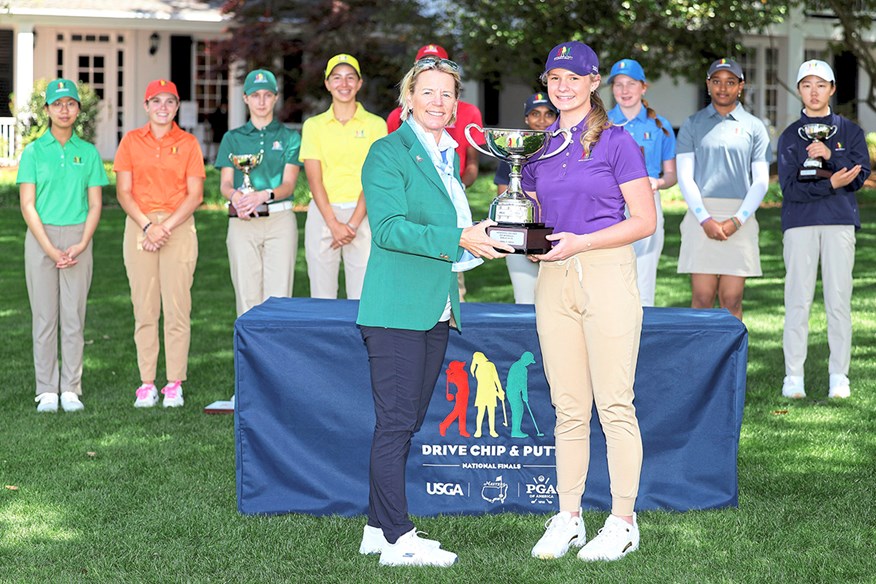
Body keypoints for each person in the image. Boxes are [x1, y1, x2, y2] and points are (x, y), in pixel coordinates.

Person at [356, 56, 512, 567]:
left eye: (447, 94)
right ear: (408, 98)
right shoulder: (388, 151)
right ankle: (400, 539)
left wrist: (487, 238)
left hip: (437, 308)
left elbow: (454, 233)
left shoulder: (449, 154)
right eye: (428, 92)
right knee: (396, 423)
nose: (438, 102)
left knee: (405, 420)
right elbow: (389, 229)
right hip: (396, 309)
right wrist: (459, 237)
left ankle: (377, 530)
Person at [522, 41, 656, 563]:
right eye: (555, 77)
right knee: (569, 408)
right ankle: (569, 516)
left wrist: (583, 242)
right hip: (553, 281)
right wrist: (530, 241)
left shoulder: (617, 141)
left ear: (593, 81)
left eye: (573, 77)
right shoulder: (537, 146)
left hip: (605, 272)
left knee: (615, 404)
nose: (563, 86)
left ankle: (623, 520)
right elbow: (532, 213)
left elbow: (644, 221)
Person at [778, 60, 870, 400]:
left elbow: (860, 177)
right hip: (799, 224)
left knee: (838, 301)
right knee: (797, 301)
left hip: (839, 223)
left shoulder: (850, 132)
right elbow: (789, 189)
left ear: (832, 89)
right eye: (806, 85)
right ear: (799, 90)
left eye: (821, 84)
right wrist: (831, 183)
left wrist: (832, 156)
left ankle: (839, 376)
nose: (813, 91)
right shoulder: (790, 136)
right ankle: (793, 377)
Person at [114, 79, 205, 408]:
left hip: (177, 225)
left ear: (177, 106)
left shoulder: (190, 143)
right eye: (156, 101)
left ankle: (174, 383)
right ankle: (147, 382)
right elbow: (123, 191)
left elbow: (195, 195)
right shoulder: (131, 142)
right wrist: (148, 225)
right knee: (145, 307)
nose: (163, 107)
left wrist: (163, 227)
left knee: (178, 307)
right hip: (140, 224)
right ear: (146, 105)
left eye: (170, 101)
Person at [17, 78, 107, 413]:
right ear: (47, 110)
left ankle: (70, 387)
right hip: (41, 237)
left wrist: (83, 242)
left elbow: (96, 203)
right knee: (44, 316)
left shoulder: (88, 152)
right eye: (58, 104)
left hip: (78, 237)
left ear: (77, 109)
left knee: (73, 315)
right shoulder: (33, 152)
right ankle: (46, 389)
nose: (64, 109)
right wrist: (49, 248)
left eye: (70, 103)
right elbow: (28, 204)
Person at [676, 58, 770, 320]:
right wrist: (704, 219)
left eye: (730, 82)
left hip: (740, 215)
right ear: (708, 84)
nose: (723, 88)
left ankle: (730, 361)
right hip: (700, 214)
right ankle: (700, 361)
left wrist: (737, 220)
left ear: (741, 86)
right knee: (702, 298)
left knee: (732, 300)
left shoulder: (754, 127)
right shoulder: (692, 124)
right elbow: (685, 176)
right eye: (716, 81)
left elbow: (761, 181)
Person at [216, 69, 303, 317]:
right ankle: (249, 356)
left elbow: (288, 184)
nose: (261, 101)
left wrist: (263, 195)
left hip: (279, 220)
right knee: (247, 296)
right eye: (255, 95)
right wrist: (236, 197)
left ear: (276, 98)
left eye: (267, 95)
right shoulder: (232, 138)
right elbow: (225, 184)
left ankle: (276, 357)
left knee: (279, 298)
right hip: (242, 220)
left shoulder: (290, 137)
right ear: (245, 98)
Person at [300, 54, 386, 299]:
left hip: (364, 215)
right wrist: (334, 224)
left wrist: (352, 224)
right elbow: (314, 179)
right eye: (336, 78)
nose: (344, 84)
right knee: (322, 296)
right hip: (323, 214)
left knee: (363, 297)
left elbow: (375, 177)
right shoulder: (313, 126)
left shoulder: (376, 125)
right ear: (327, 84)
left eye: (350, 78)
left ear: (359, 83)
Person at [608, 59, 677, 307]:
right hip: (609, 206)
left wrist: (657, 183)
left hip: (647, 202)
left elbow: (671, 175)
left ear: (643, 87)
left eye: (631, 84)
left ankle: (642, 343)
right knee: (610, 279)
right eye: (618, 84)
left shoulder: (659, 126)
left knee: (645, 281)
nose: (624, 91)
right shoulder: (601, 124)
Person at [494, 93, 558, 304]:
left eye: (549, 114)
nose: (542, 120)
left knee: (558, 304)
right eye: (535, 114)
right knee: (525, 301)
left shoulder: (563, 150)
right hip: (521, 238)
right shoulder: (512, 151)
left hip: (558, 237)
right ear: (525, 119)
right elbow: (504, 197)